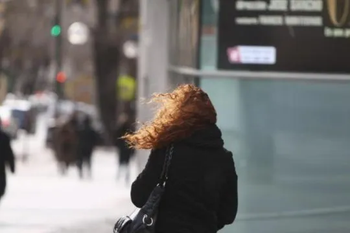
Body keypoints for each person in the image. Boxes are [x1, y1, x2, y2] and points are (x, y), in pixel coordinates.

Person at [122, 84, 238, 233]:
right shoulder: (224, 159)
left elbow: (138, 196)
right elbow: (228, 214)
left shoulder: (167, 150)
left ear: (177, 115)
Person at [114, 113, 135, 183]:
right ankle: (125, 176)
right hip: (127, 149)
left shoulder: (120, 128)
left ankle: (120, 176)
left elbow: (116, 139)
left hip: (122, 149)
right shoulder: (129, 130)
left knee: (122, 163)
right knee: (126, 163)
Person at [0, 117, 15, 202]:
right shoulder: (4, 137)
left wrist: (12, 166)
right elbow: (9, 154)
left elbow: (9, 153)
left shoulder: (4, 137)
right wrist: (12, 166)